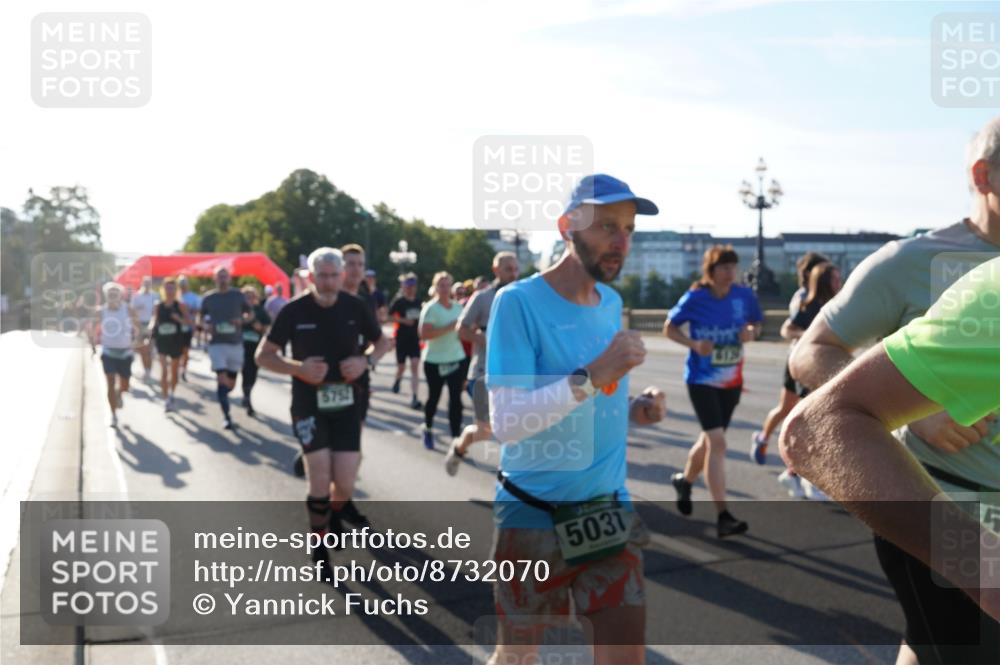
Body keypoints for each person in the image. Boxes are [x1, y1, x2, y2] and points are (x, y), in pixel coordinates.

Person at [788, 114, 1000, 665]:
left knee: (929, 645)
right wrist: (915, 418)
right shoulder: (909, 262)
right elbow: (810, 351)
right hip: (943, 503)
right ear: (983, 175)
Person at [485, 174, 666, 665]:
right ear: (568, 226)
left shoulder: (610, 303)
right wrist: (596, 373)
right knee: (520, 658)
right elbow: (507, 421)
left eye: (628, 229)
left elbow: (589, 400)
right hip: (533, 517)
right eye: (607, 226)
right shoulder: (517, 303)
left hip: (606, 514)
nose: (621, 241)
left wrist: (634, 409)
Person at [256, 248, 391, 575]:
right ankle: (318, 543)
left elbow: (382, 342)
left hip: (347, 402)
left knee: (343, 482)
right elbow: (264, 355)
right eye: (323, 276)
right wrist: (297, 368)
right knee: (319, 475)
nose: (329, 282)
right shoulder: (293, 310)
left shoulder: (355, 306)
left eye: (334, 275)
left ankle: (331, 513)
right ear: (311, 276)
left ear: (342, 275)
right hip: (308, 403)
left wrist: (365, 361)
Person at [663, 245, 763, 538]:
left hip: (732, 381)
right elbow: (669, 328)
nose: (730, 272)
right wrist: (694, 345)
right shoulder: (696, 297)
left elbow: (755, 323)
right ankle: (723, 516)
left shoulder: (744, 295)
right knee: (718, 443)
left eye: (733, 266)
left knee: (709, 442)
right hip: (701, 380)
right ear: (711, 270)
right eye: (724, 267)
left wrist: (751, 332)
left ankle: (684, 480)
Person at [769, 261, 842, 500]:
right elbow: (787, 329)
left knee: (818, 423)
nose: (839, 283)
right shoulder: (810, 306)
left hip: (827, 369)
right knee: (812, 422)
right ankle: (808, 478)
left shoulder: (838, 305)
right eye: (834, 279)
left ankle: (795, 474)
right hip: (807, 368)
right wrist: (812, 337)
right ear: (823, 282)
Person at [750, 251, 828, 471]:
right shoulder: (803, 296)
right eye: (823, 270)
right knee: (787, 408)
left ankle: (795, 468)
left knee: (809, 412)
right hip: (799, 361)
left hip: (817, 361)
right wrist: (809, 335)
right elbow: (788, 329)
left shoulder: (825, 296)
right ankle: (764, 438)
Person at [444, 251, 519, 476]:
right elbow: (461, 328)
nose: (513, 274)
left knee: (517, 426)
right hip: (483, 372)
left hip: (515, 373)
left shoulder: (523, 298)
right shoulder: (483, 297)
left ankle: (513, 482)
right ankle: (459, 447)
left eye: (516, 269)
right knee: (485, 431)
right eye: (508, 269)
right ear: (496, 270)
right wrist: (482, 339)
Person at [198, 267, 252, 430]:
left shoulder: (238, 295)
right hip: (217, 344)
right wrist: (205, 325)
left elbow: (250, 314)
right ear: (215, 278)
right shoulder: (209, 298)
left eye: (225, 276)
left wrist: (241, 321)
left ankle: (224, 397)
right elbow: (200, 318)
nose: (222, 279)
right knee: (222, 379)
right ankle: (227, 417)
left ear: (229, 278)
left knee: (231, 384)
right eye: (219, 276)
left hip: (235, 343)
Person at [418, 271, 466, 450]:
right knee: (434, 397)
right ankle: (428, 428)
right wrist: (449, 327)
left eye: (448, 285)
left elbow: (463, 330)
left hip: (456, 358)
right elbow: (424, 334)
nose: (445, 289)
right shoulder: (431, 308)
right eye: (442, 285)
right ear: (436, 287)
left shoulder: (458, 308)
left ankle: (456, 438)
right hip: (434, 361)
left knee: (456, 400)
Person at [88, 282, 140, 428]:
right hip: (108, 352)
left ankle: (119, 394)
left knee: (125, 385)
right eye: (110, 294)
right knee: (110, 381)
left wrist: (136, 341)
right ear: (106, 296)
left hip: (125, 352)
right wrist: (93, 347)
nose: (112, 296)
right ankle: (113, 415)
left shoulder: (128, 310)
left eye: (115, 293)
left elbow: (137, 328)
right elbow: (92, 330)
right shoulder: (101, 311)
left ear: (120, 295)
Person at [150, 278, 190, 412]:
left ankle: (172, 393)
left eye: (172, 288)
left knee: (173, 371)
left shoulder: (180, 305)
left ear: (176, 290)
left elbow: (189, 323)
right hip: (162, 341)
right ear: (163, 289)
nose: (169, 290)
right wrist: (150, 328)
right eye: (167, 288)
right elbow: (154, 319)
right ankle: (166, 399)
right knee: (164, 371)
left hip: (176, 341)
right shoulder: (158, 305)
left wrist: (178, 319)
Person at [388, 273, 423, 410]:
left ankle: (414, 397)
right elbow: (389, 317)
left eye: (413, 286)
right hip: (402, 339)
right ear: (404, 287)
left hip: (415, 339)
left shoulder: (419, 302)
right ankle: (398, 380)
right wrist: (403, 321)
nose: (411, 289)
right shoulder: (399, 301)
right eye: (408, 286)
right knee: (401, 367)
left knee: (415, 366)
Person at [239, 285, 271, 417]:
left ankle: (247, 392)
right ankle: (247, 397)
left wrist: (260, 328)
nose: (249, 299)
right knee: (245, 371)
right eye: (247, 297)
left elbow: (267, 328)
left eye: (252, 296)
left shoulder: (260, 311)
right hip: (240, 346)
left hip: (256, 347)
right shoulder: (238, 310)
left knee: (252, 372)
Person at [130, 276, 160, 382]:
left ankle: (148, 371)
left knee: (149, 349)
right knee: (143, 350)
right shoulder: (137, 296)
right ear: (142, 283)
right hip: (140, 325)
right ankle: (146, 369)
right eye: (145, 283)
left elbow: (157, 312)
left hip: (152, 325)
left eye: (149, 283)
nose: (147, 285)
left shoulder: (155, 295)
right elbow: (132, 311)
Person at [178, 275, 201, 380]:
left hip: (188, 327)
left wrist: (188, 312)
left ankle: (184, 369)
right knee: (177, 349)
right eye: (181, 283)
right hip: (176, 327)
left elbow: (198, 311)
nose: (183, 286)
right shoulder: (175, 296)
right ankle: (177, 366)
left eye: (184, 283)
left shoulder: (193, 297)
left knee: (186, 350)